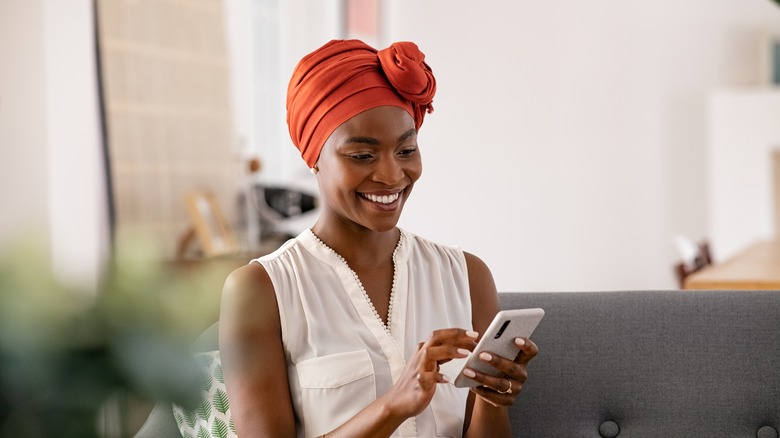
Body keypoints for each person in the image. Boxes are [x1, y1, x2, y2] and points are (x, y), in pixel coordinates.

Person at [219, 39, 539, 438]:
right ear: (313, 157)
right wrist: (393, 405)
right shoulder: (260, 290)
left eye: (406, 150)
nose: (391, 176)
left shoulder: (468, 277)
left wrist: (492, 398)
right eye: (362, 156)